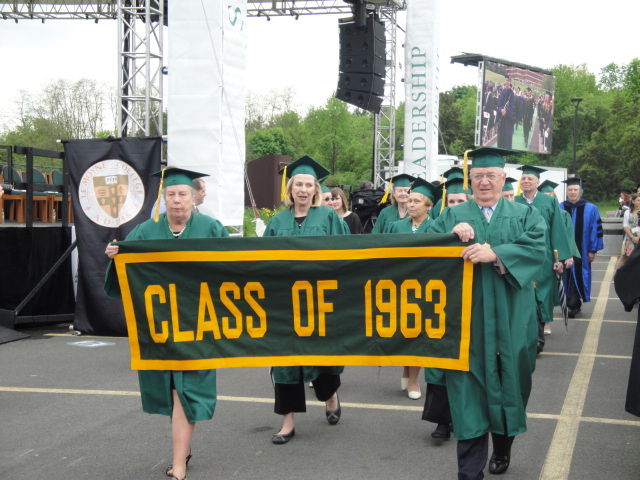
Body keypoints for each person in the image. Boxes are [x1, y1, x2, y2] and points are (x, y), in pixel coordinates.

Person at [428, 147, 547, 479]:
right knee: (468, 394)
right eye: (477, 176)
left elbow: (537, 248)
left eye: (491, 175)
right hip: (466, 323)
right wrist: (448, 237)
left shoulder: (525, 215)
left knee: (512, 385)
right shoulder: (451, 216)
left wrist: (495, 254)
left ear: (503, 178)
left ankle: (504, 448)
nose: (484, 182)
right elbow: (422, 250)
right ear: (469, 180)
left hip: (513, 321)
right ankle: (470, 472)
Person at [104, 167, 230, 480]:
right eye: (171, 194)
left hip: (199, 325)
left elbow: (234, 271)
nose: (176, 201)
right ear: (164, 197)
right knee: (173, 389)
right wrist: (116, 257)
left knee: (185, 390)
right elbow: (124, 277)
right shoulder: (146, 232)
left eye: (183, 194)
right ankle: (182, 450)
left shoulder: (212, 229)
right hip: (159, 328)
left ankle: (179, 463)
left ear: (194, 197)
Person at [263, 155, 346, 445]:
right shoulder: (277, 221)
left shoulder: (328, 218)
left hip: (320, 300)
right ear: (290, 189)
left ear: (315, 190)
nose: (302, 189)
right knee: (284, 362)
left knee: (320, 356)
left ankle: (330, 395)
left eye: (308, 185)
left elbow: (344, 255)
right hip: (286, 303)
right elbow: (263, 262)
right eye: (297, 184)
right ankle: (287, 423)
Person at [422, 176, 471, 442]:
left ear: (469, 201)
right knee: (439, 364)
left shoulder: (480, 223)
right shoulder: (440, 222)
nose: (454, 206)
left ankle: (465, 419)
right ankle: (442, 421)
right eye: (450, 201)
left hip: (470, 304)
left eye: (460, 201)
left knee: (466, 365)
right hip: (441, 303)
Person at [388, 178, 439, 400]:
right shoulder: (396, 226)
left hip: (425, 287)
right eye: (409, 200)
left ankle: (414, 379)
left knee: (418, 333)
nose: (411, 204)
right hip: (399, 285)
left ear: (429, 206)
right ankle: (406, 369)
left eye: (417, 201)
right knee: (403, 332)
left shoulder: (437, 227)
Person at [515, 165, 571, 346]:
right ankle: (528, 336)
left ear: (537, 182)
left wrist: (558, 259)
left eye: (530, 178)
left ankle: (538, 339)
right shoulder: (514, 202)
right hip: (520, 256)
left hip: (545, 256)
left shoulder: (549, 202)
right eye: (523, 178)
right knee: (523, 294)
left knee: (542, 294)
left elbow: (558, 231)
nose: (526, 181)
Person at [560, 176, 604, 318]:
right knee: (567, 276)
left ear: (581, 191)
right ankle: (572, 303)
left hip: (583, 251)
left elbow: (594, 230)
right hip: (564, 251)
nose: (573, 192)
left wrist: (593, 250)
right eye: (570, 190)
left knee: (578, 275)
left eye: (575, 190)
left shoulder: (591, 208)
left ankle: (573, 304)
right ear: (567, 192)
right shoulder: (560, 207)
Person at [617, 193, 640, 269]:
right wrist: (632, 237)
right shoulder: (627, 212)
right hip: (630, 237)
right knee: (624, 257)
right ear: (633, 201)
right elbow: (625, 226)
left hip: (639, 237)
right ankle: (617, 277)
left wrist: (638, 237)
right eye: (638, 200)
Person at [496, 75, 516, 149]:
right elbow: (499, 104)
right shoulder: (502, 92)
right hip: (502, 118)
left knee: (507, 139)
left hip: (508, 120)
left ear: (510, 82)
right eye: (506, 80)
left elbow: (512, 106)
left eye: (508, 80)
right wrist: (501, 109)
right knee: (501, 138)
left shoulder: (512, 94)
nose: (506, 82)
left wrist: (506, 112)